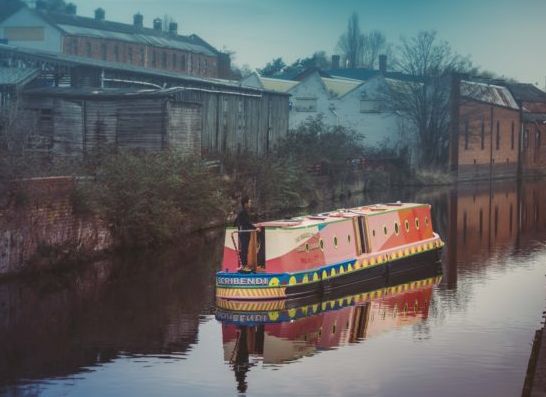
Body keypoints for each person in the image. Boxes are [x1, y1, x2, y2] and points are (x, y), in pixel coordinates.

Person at [234, 196, 256, 270]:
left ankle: (243, 265)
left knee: (244, 249)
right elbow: (247, 223)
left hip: (244, 233)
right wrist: (256, 228)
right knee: (244, 249)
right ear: (245, 203)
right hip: (244, 233)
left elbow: (240, 222)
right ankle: (244, 266)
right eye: (249, 202)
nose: (250, 204)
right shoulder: (243, 212)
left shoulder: (243, 212)